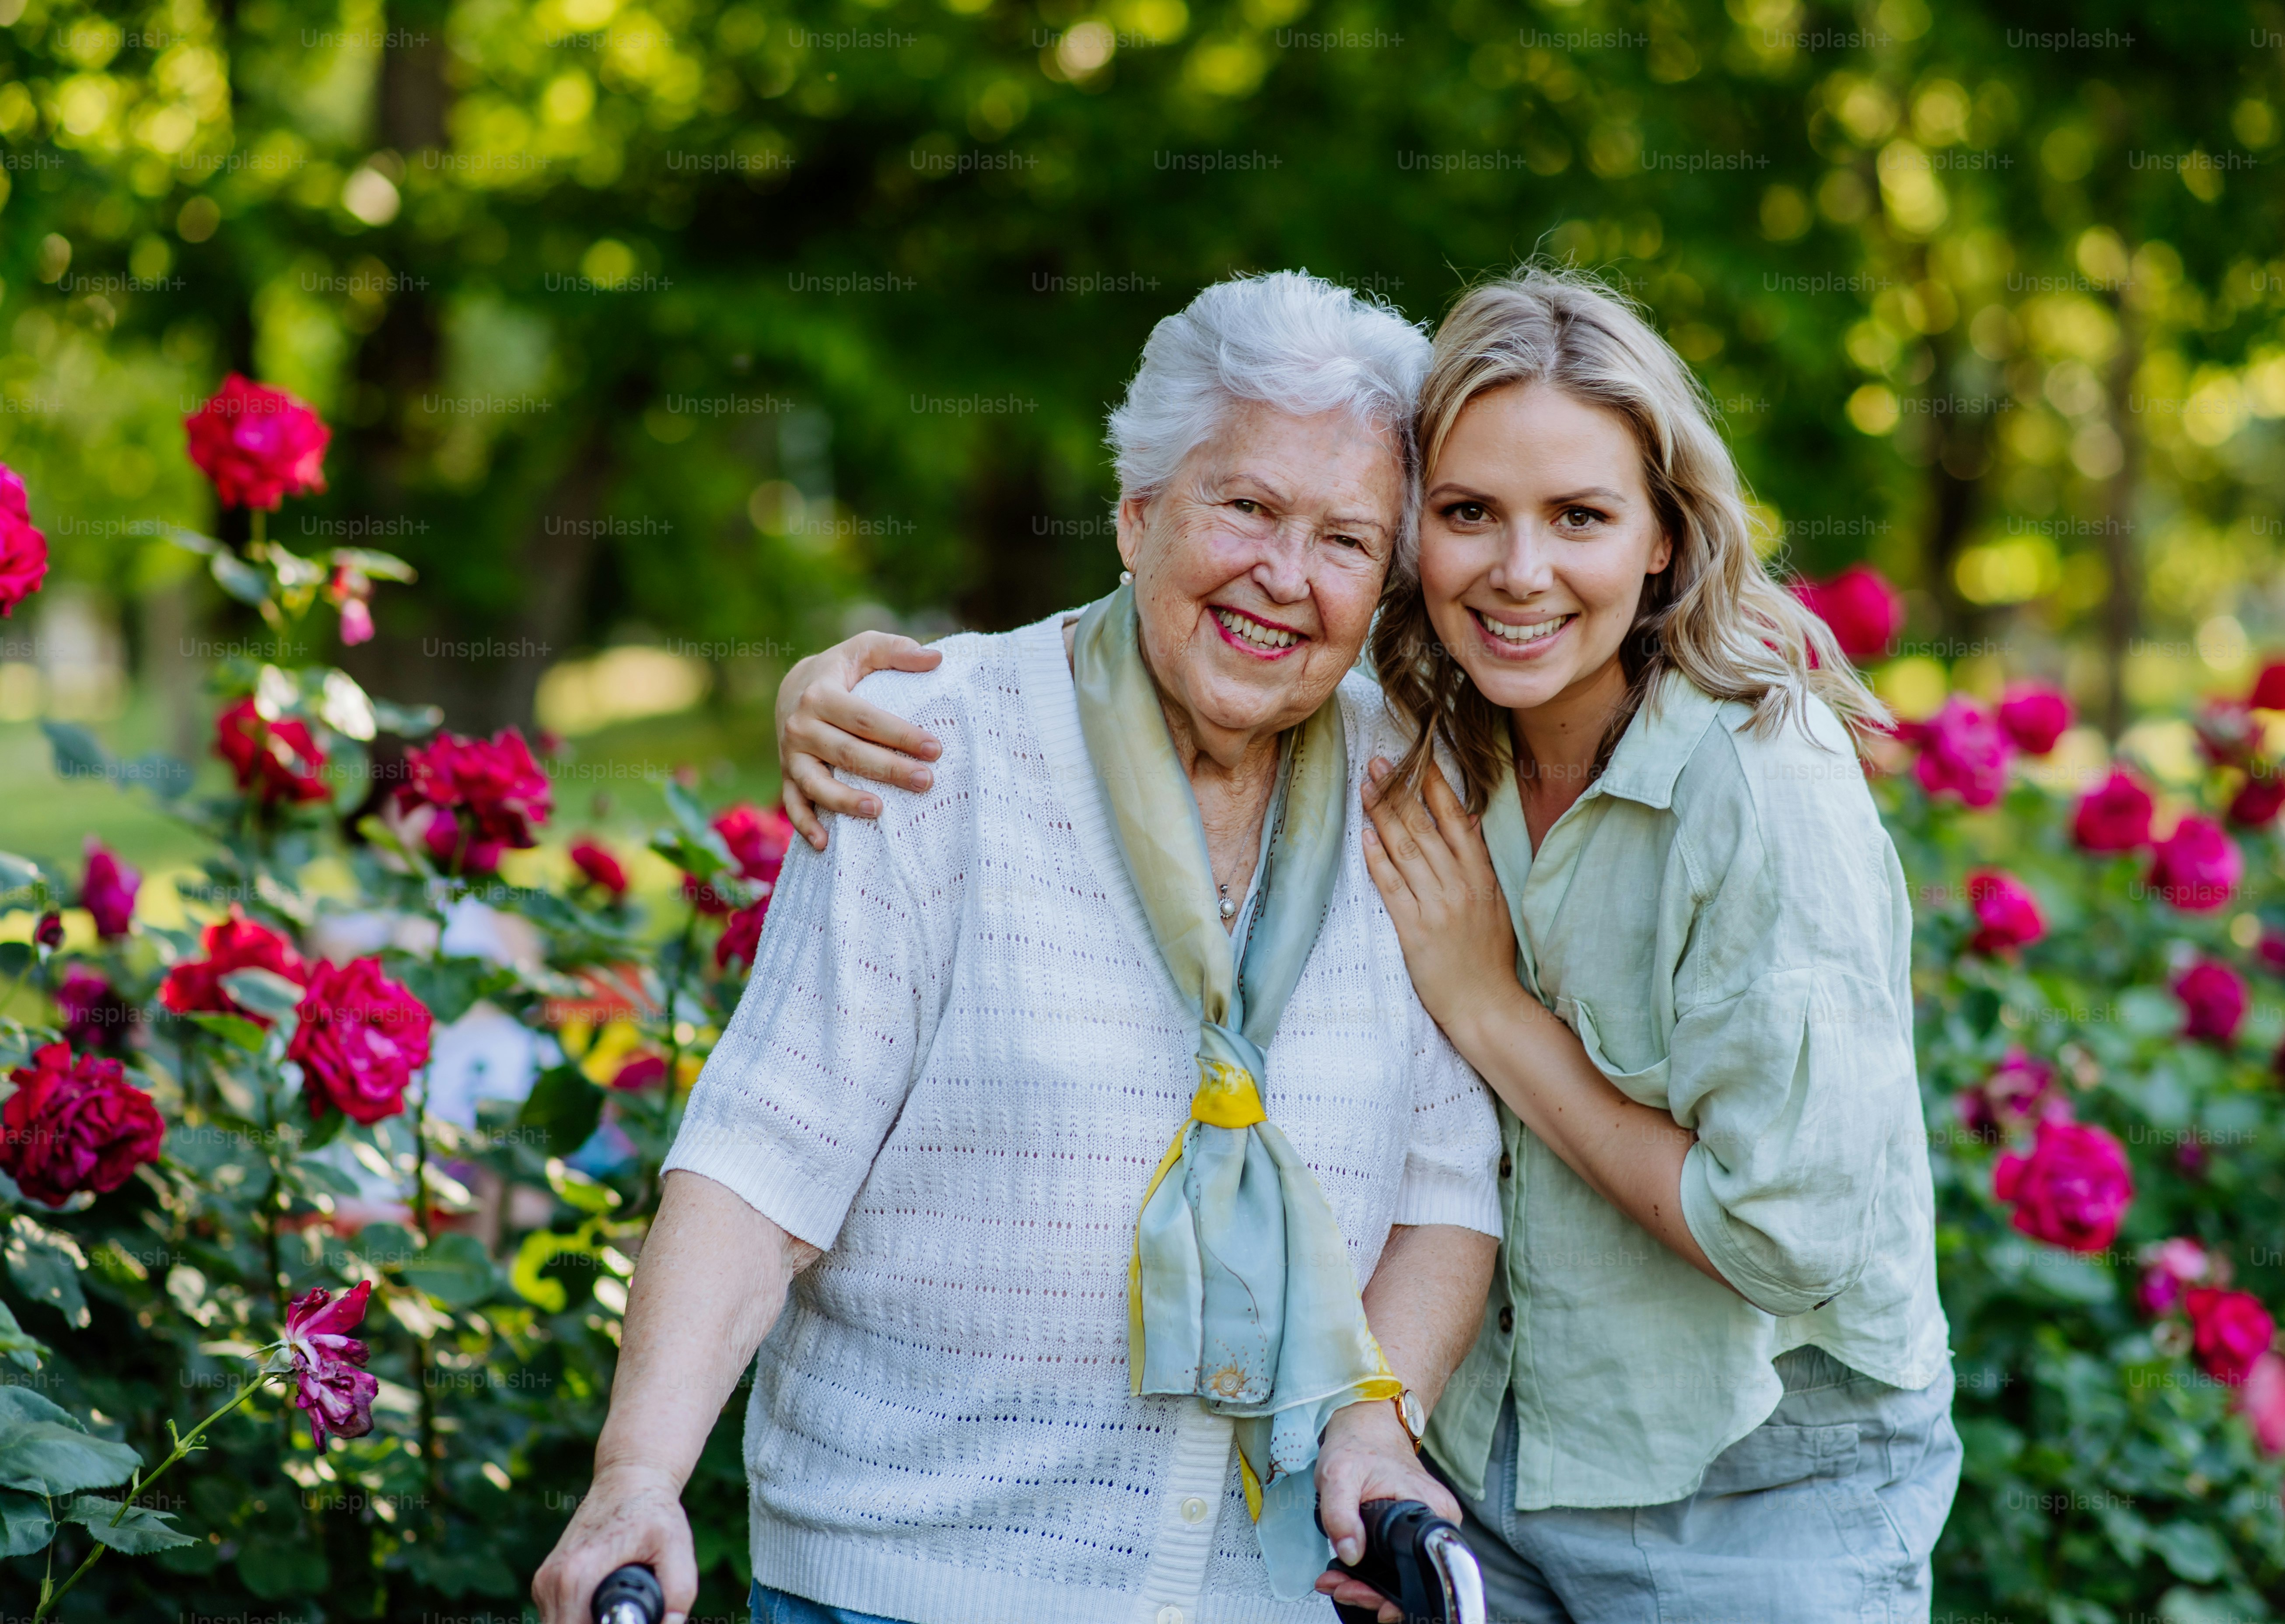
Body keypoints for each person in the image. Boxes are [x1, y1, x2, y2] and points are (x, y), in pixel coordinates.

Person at [776, 267, 1960, 1623]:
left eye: (1579, 516)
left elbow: (1783, 1233)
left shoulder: (1759, 785)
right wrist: (828, 694)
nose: (1520, 572)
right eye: (1468, 515)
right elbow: (1193, 635)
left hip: (1748, 1491)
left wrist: (1488, 1006)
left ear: (1664, 537)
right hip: (1482, 1476)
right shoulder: (1421, 730)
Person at [532, 271, 1504, 1624]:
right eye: (1246, 508)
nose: (1286, 576)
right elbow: (764, 1160)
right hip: (907, 1580)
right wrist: (635, 1481)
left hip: (1261, 1595)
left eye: (1347, 539)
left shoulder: (1408, 792)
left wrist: (1377, 1422)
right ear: (1137, 511)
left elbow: (1446, 1184)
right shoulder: (931, 748)